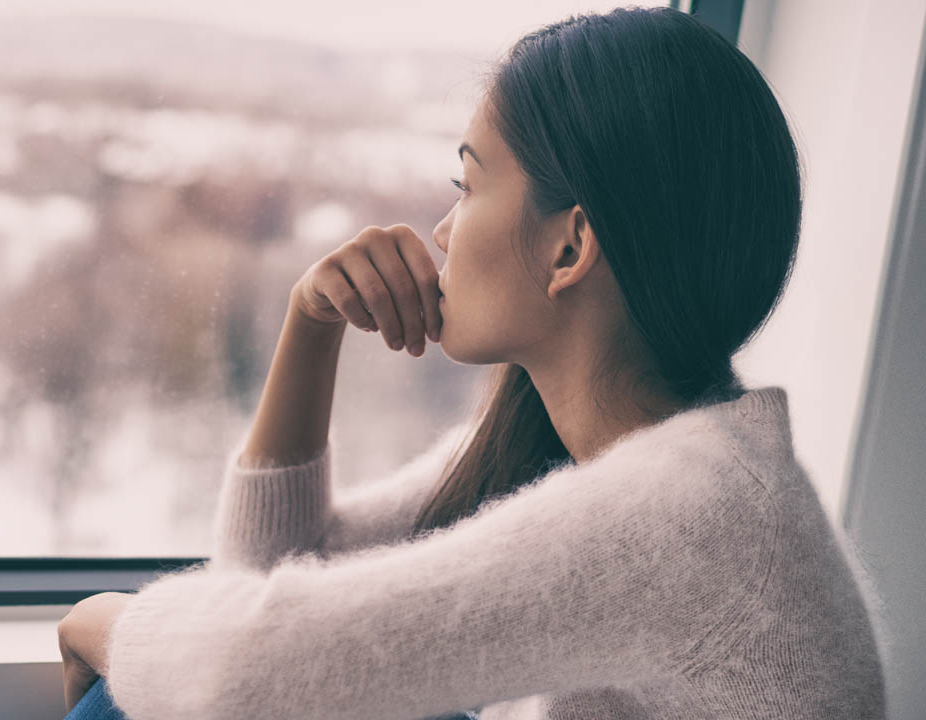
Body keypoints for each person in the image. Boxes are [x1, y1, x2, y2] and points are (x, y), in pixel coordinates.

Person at [56, 6, 886, 719]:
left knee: (137, 694)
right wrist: (309, 327)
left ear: (570, 245)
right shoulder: (588, 444)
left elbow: (238, 676)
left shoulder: (690, 513)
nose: (444, 232)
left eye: (467, 185)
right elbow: (273, 578)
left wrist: (103, 623)